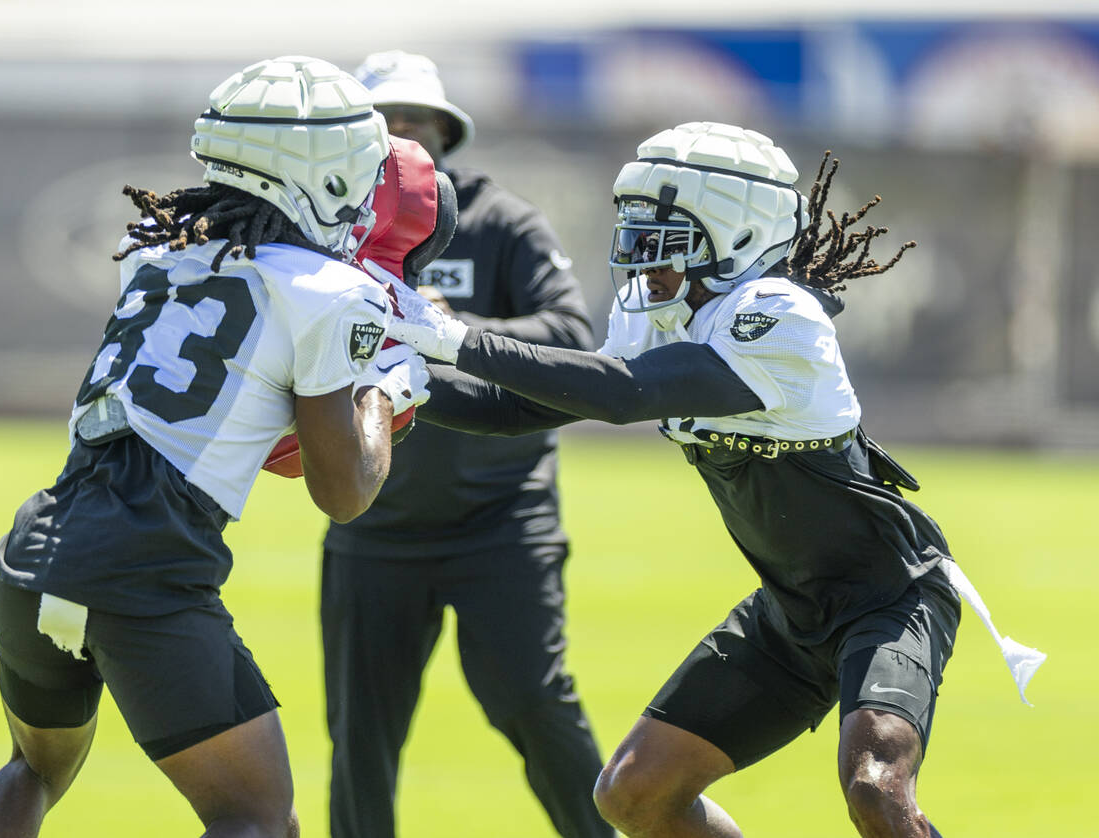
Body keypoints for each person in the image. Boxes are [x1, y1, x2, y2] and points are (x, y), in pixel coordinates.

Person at [381, 121, 1045, 838]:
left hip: (891, 598)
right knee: (634, 795)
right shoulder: (661, 311)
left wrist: (446, 335)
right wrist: (401, 382)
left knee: (875, 789)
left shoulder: (781, 316)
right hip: (790, 610)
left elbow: (622, 392)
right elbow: (520, 407)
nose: (642, 260)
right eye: (635, 234)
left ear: (734, 232)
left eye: (662, 237)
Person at [0, 55, 451, 838]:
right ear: (319, 176)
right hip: (147, 566)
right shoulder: (328, 291)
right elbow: (344, 494)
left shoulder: (156, 254)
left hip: (37, 543)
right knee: (256, 819)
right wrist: (387, 390)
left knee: (34, 768)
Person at [317, 50, 613, 838]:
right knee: (361, 738)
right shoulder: (328, 228)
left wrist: (449, 332)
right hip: (373, 522)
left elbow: (573, 337)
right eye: (382, 118)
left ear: (447, 132)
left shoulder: (501, 220)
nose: (400, 129)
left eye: (416, 117)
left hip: (502, 518)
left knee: (534, 702)